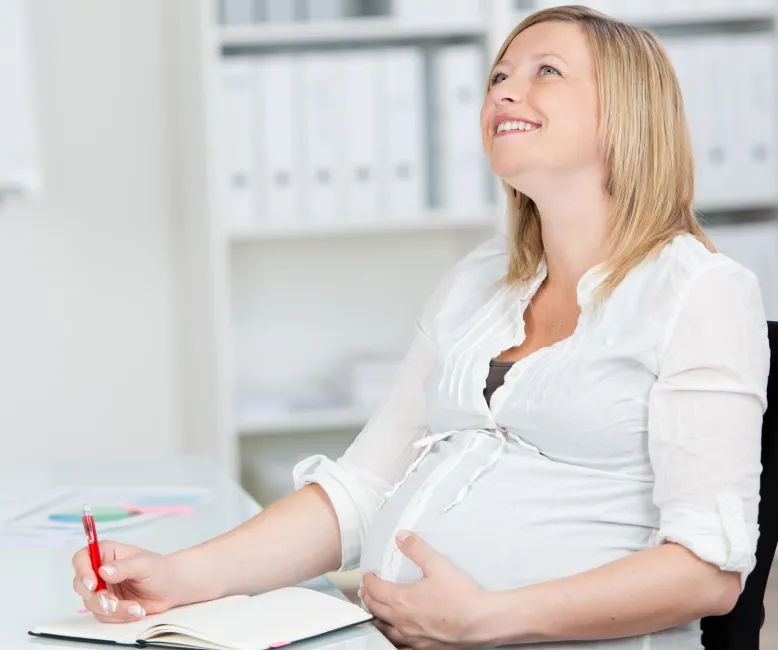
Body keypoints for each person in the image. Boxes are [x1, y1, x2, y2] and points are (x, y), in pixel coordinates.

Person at [71, 5, 771, 649]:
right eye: (498, 75)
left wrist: (488, 619)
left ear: (628, 114)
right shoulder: (481, 281)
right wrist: (182, 575)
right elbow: (361, 490)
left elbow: (707, 571)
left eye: (544, 73)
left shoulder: (701, 294)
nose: (502, 91)